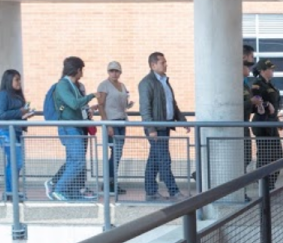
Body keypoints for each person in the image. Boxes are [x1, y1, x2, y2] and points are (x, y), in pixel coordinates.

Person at [139, 51, 187, 201]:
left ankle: (151, 192)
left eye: (165, 62)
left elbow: (172, 104)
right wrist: (151, 129)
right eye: (162, 62)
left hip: (165, 126)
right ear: (153, 65)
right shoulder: (147, 83)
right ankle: (174, 191)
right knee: (164, 159)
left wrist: (182, 120)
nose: (166, 64)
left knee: (154, 159)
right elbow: (145, 108)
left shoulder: (164, 81)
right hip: (155, 128)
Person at [51, 56, 98, 200]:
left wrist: (89, 109)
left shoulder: (74, 86)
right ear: (77, 70)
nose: (82, 73)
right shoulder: (63, 85)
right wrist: (92, 96)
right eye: (81, 69)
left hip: (76, 126)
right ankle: (58, 188)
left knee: (73, 160)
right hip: (69, 127)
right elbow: (73, 104)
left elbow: (78, 105)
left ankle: (70, 190)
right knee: (78, 161)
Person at [0, 69, 35, 200]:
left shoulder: (17, 95)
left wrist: (25, 115)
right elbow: (0, 115)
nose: (19, 82)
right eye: (16, 79)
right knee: (17, 161)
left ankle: (11, 192)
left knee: (14, 161)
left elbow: (17, 113)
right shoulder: (2, 95)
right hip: (4, 130)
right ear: (9, 80)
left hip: (16, 131)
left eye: (19, 79)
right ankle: (11, 192)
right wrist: (20, 112)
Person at [97, 61, 133, 195]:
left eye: (117, 71)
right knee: (115, 152)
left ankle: (111, 182)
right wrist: (108, 124)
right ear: (108, 72)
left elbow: (122, 102)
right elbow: (101, 105)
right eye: (111, 71)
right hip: (111, 121)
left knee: (118, 153)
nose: (114, 73)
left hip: (122, 120)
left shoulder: (122, 85)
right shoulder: (104, 85)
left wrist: (128, 105)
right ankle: (109, 182)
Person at [250, 59, 283, 190]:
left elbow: (275, 105)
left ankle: (269, 182)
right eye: (270, 69)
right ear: (262, 71)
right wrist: (265, 104)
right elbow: (255, 101)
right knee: (265, 154)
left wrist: (277, 120)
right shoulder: (257, 85)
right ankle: (263, 183)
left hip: (271, 123)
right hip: (262, 124)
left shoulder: (270, 84)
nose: (272, 71)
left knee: (277, 155)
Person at [242, 56, 257, 171]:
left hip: (245, 123)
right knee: (242, 157)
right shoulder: (236, 84)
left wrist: (256, 105)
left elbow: (248, 104)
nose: (250, 69)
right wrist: (250, 102)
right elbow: (234, 106)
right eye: (247, 66)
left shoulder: (245, 84)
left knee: (247, 157)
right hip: (238, 125)